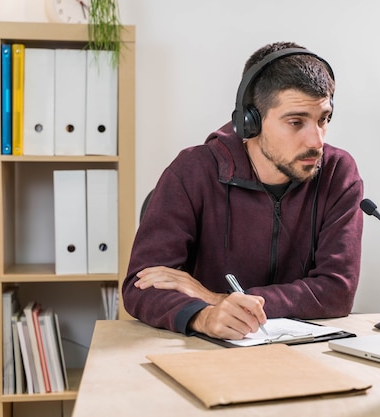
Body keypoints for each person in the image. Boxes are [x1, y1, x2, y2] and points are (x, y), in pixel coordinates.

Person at [122, 41, 364, 340]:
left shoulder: (338, 173)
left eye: (323, 119)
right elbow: (141, 286)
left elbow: (337, 291)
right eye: (296, 122)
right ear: (250, 121)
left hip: (304, 350)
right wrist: (204, 316)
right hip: (206, 352)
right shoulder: (192, 171)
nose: (316, 141)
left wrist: (215, 297)